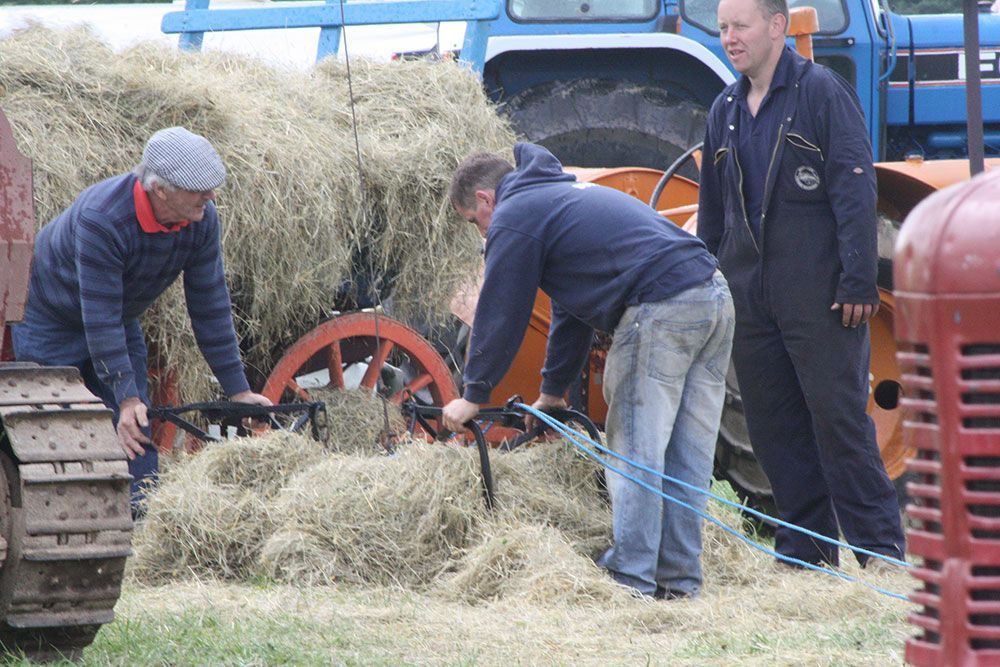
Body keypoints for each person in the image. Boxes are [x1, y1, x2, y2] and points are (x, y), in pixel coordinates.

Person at [442, 143, 735, 599]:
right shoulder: (558, 197)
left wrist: (473, 395)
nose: (482, 234)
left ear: (485, 200)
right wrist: (553, 392)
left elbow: (502, 309)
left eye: (473, 222)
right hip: (713, 296)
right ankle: (678, 581)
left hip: (661, 306)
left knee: (636, 448)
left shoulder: (515, 214)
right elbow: (570, 309)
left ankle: (632, 578)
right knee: (686, 454)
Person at [697, 0, 905, 568]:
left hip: (823, 295)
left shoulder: (822, 94)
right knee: (773, 430)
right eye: (722, 28)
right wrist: (715, 287)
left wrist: (860, 278)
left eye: (740, 26)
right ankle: (805, 555)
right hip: (751, 298)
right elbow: (713, 215)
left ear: (776, 26)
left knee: (838, 420)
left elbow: (855, 187)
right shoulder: (724, 109)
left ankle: (880, 550)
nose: (730, 38)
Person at [12, 126, 272, 513]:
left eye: (212, 187)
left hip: (118, 316)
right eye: (200, 188)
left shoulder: (202, 219)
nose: (211, 196)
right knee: (50, 426)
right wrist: (125, 393)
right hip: (51, 318)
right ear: (160, 189)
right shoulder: (103, 218)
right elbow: (98, 317)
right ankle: (54, 523)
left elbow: (210, 305)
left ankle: (141, 519)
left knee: (136, 423)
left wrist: (238, 391)